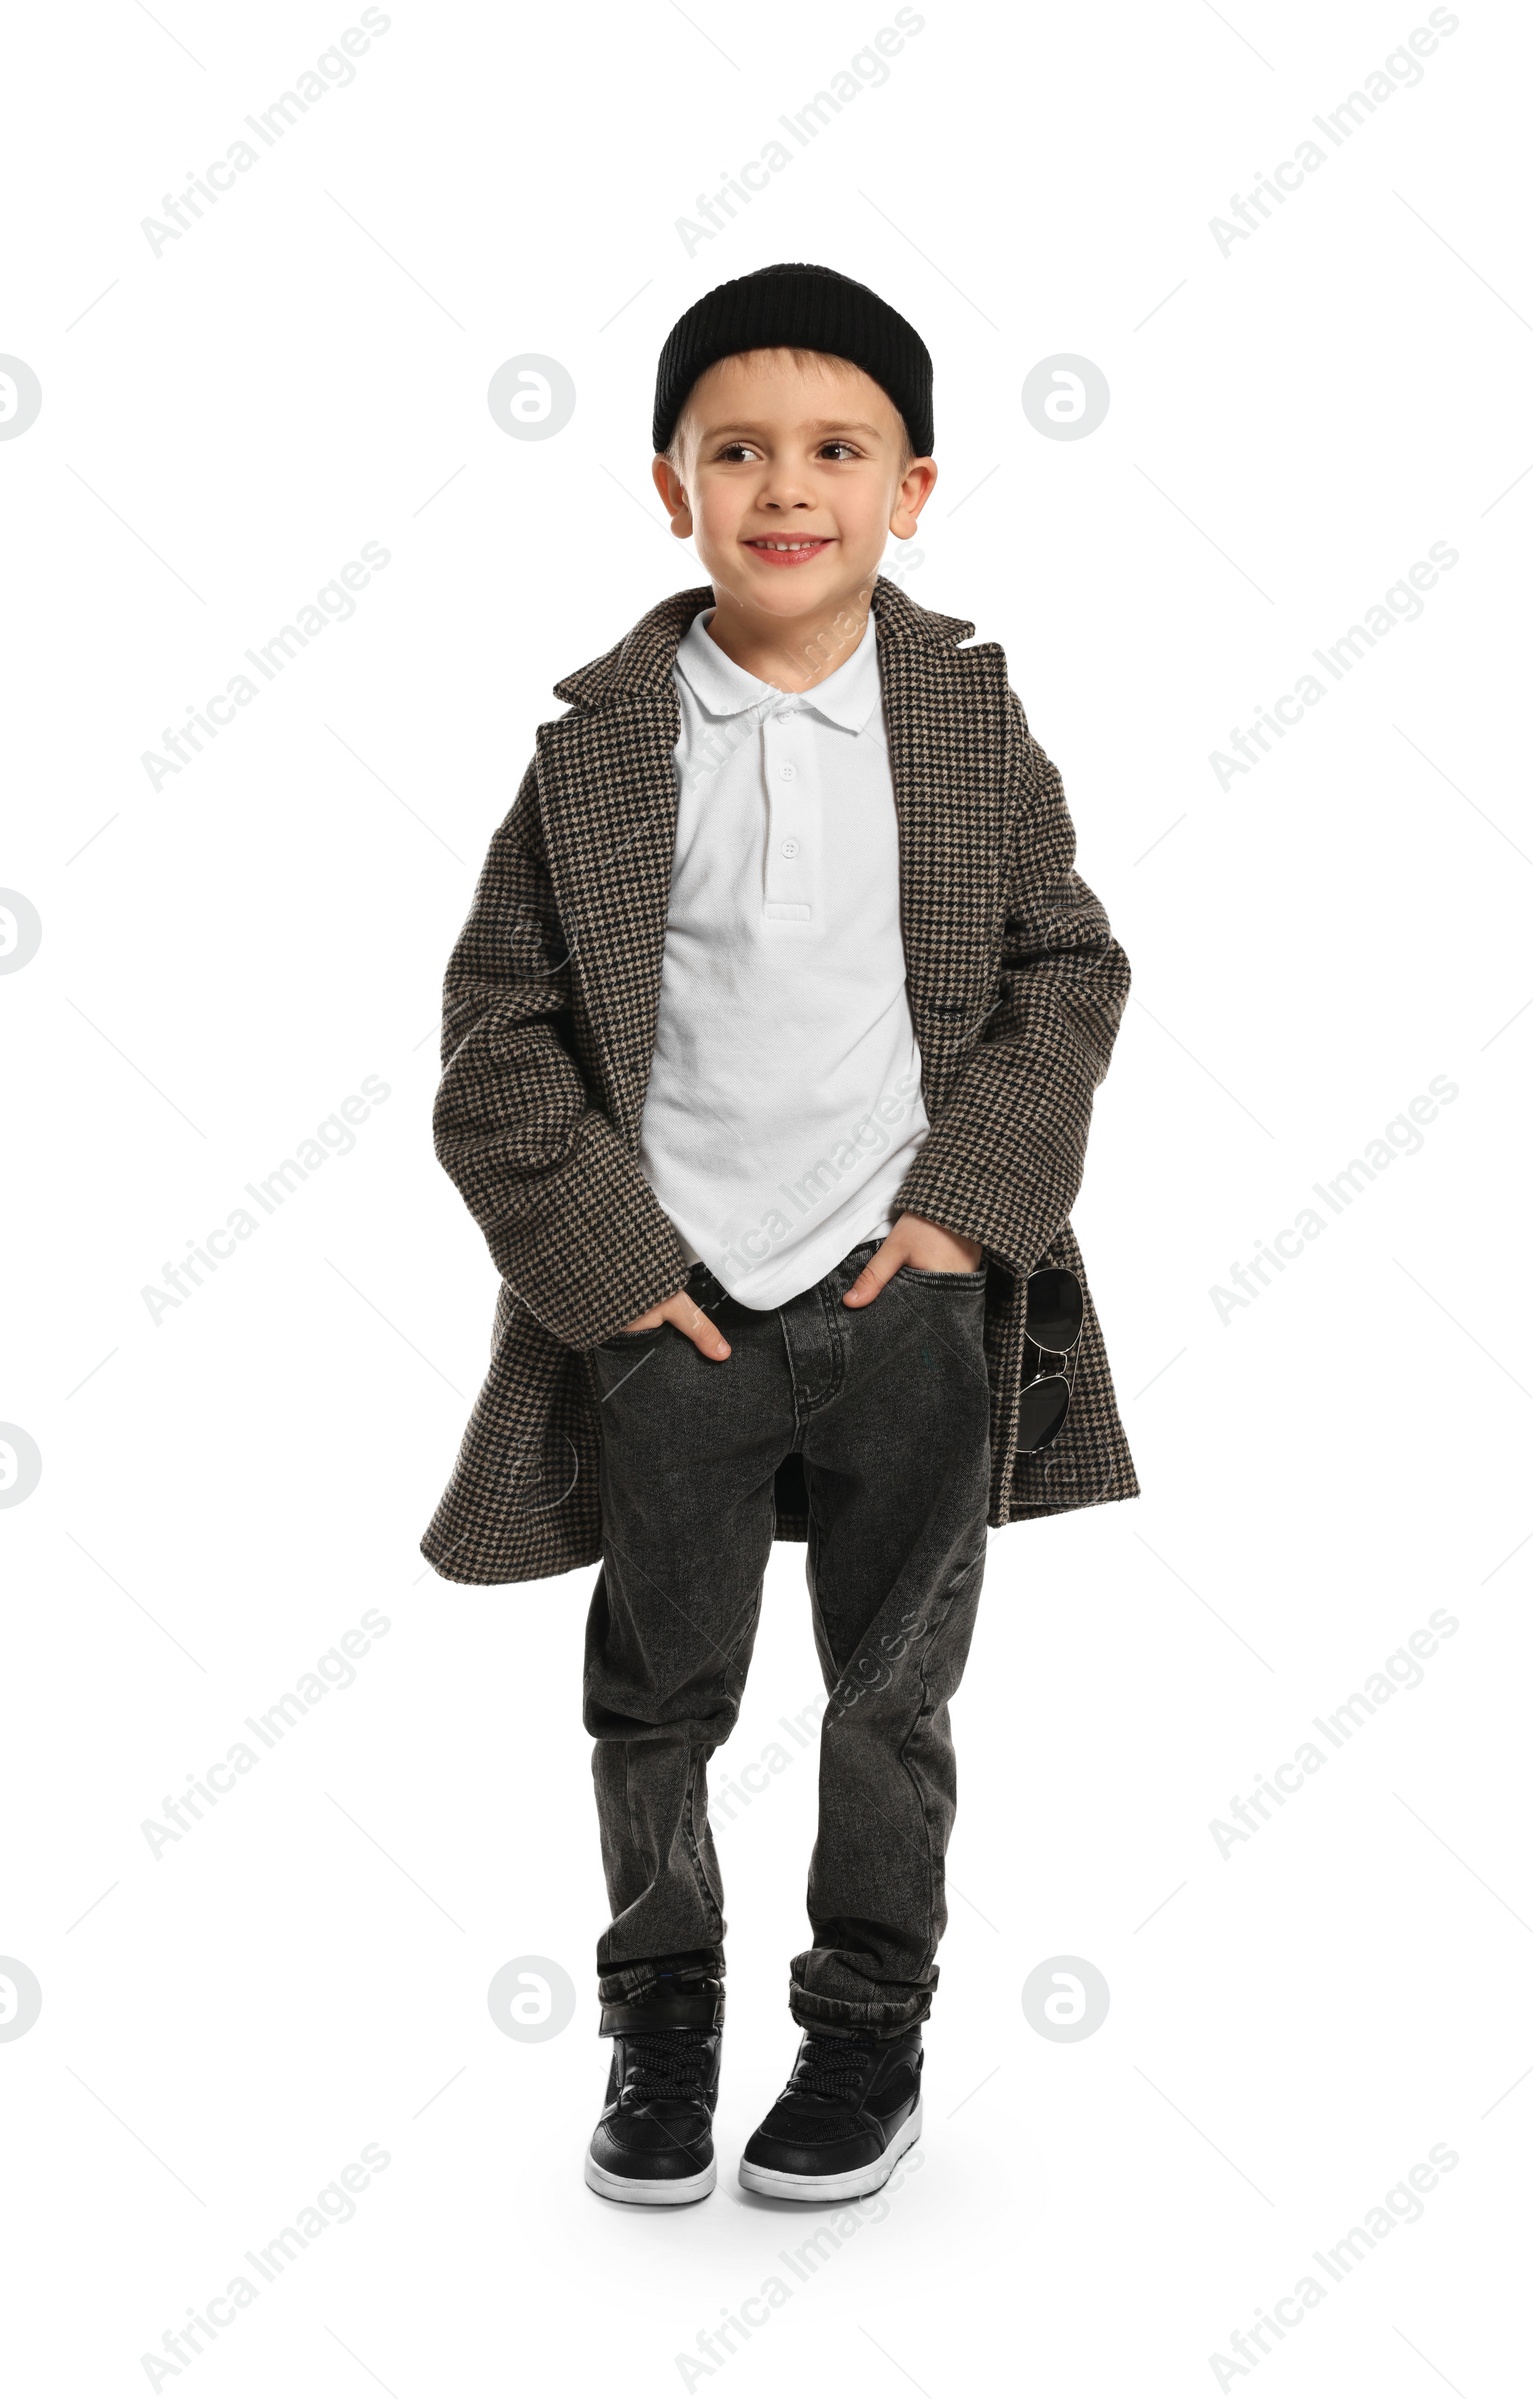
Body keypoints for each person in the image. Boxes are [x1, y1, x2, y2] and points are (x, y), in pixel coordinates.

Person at [424, 262, 1138, 2205]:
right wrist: (617, 1275)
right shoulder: (593, 750)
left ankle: (862, 2038)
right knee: (659, 1694)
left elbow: (1056, 974)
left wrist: (957, 1220)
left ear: (913, 488)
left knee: (888, 1689)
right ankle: (659, 2034)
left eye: (836, 448)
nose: (784, 485)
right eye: (735, 450)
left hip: (901, 1298)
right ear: (671, 489)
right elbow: (497, 1050)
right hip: (675, 1309)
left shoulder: (967, 733)